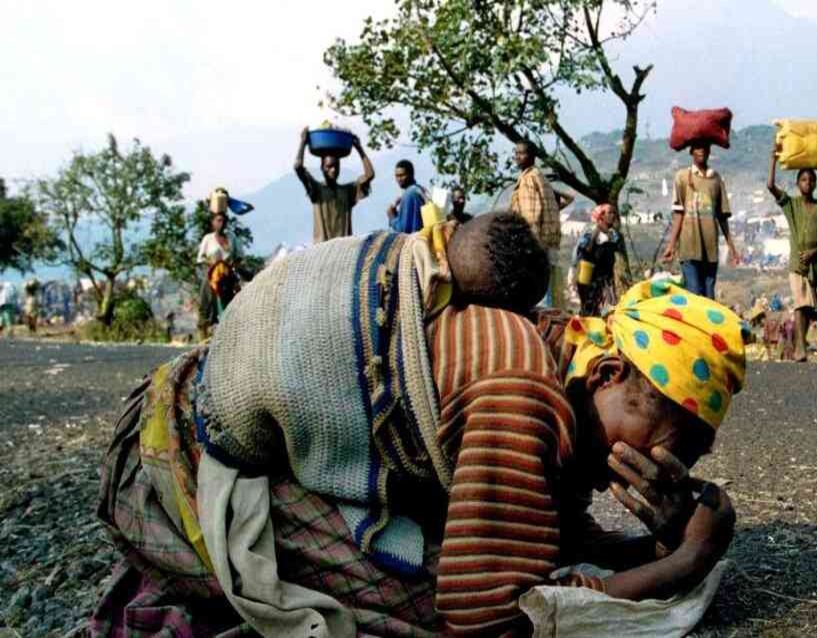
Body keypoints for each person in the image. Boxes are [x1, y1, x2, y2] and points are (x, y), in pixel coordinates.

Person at [93, 215, 742, 637]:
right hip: (180, 469)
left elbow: (551, 526)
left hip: (193, 410)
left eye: (685, 458)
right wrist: (683, 564)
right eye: (664, 439)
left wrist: (647, 544)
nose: (664, 464)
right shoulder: (523, 389)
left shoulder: (555, 346)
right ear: (604, 375)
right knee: (425, 606)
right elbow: (492, 617)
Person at [767, 149, 817, 363]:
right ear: (798, 184)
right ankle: (799, 348)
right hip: (797, 265)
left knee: (808, 307)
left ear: (815, 184)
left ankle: (801, 343)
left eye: (811, 180)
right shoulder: (792, 205)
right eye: (803, 179)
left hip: (815, 267)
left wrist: (814, 252)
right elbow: (770, 186)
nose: (807, 183)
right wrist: (773, 160)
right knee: (799, 303)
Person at [663, 141, 740, 299]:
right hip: (689, 247)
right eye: (697, 147)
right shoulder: (682, 177)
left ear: (709, 150)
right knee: (693, 294)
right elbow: (678, 213)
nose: (701, 151)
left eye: (704, 147)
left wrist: (731, 246)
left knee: (709, 296)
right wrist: (671, 244)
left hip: (710, 249)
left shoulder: (716, 179)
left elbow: (722, 216)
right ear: (691, 151)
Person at [294, 126, 375, 243]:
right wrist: (303, 142)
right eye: (329, 166)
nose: (333, 170)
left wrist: (359, 148)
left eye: (336, 166)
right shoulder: (317, 189)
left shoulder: (347, 191)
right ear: (322, 168)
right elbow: (298, 167)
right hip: (322, 249)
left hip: (344, 249)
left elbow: (370, 175)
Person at [511, 141, 565, 308]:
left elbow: (531, 215)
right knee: (548, 288)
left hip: (536, 241)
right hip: (548, 241)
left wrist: (529, 244)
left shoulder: (528, 180)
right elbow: (562, 201)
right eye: (516, 153)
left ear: (532, 156)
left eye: (522, 153)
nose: (518, 157)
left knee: (537, 291)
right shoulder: (540, 177)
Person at [196, 190, 242, 340]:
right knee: (206, 301)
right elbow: (201, 259)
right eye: (218, 220)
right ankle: (204, 332)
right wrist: (212, 269)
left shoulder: (232, 237)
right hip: (211, 276)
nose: (221, 224)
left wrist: (230, 267)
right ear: (213, 222)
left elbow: (239, 257)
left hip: (228, 276)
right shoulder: (208, 239)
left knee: (235, 302)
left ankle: (232, 334)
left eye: (223, 220)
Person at [574, 204, 624, 316]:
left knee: (609, 309)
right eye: (609, 213)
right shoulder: (591, 232)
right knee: (590, 308)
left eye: (614, 213)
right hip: (592, 279)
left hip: (607, 279)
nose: (613, 216)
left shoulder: (613, 235)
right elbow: (583, 252)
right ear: (601, 216)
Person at [388, 160, 426, 234]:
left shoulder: (409, 194)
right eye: (397, 176)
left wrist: (391, 216)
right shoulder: (419, 189)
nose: (399, 179)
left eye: (402, 175)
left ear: (411, 174)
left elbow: (403, 229)